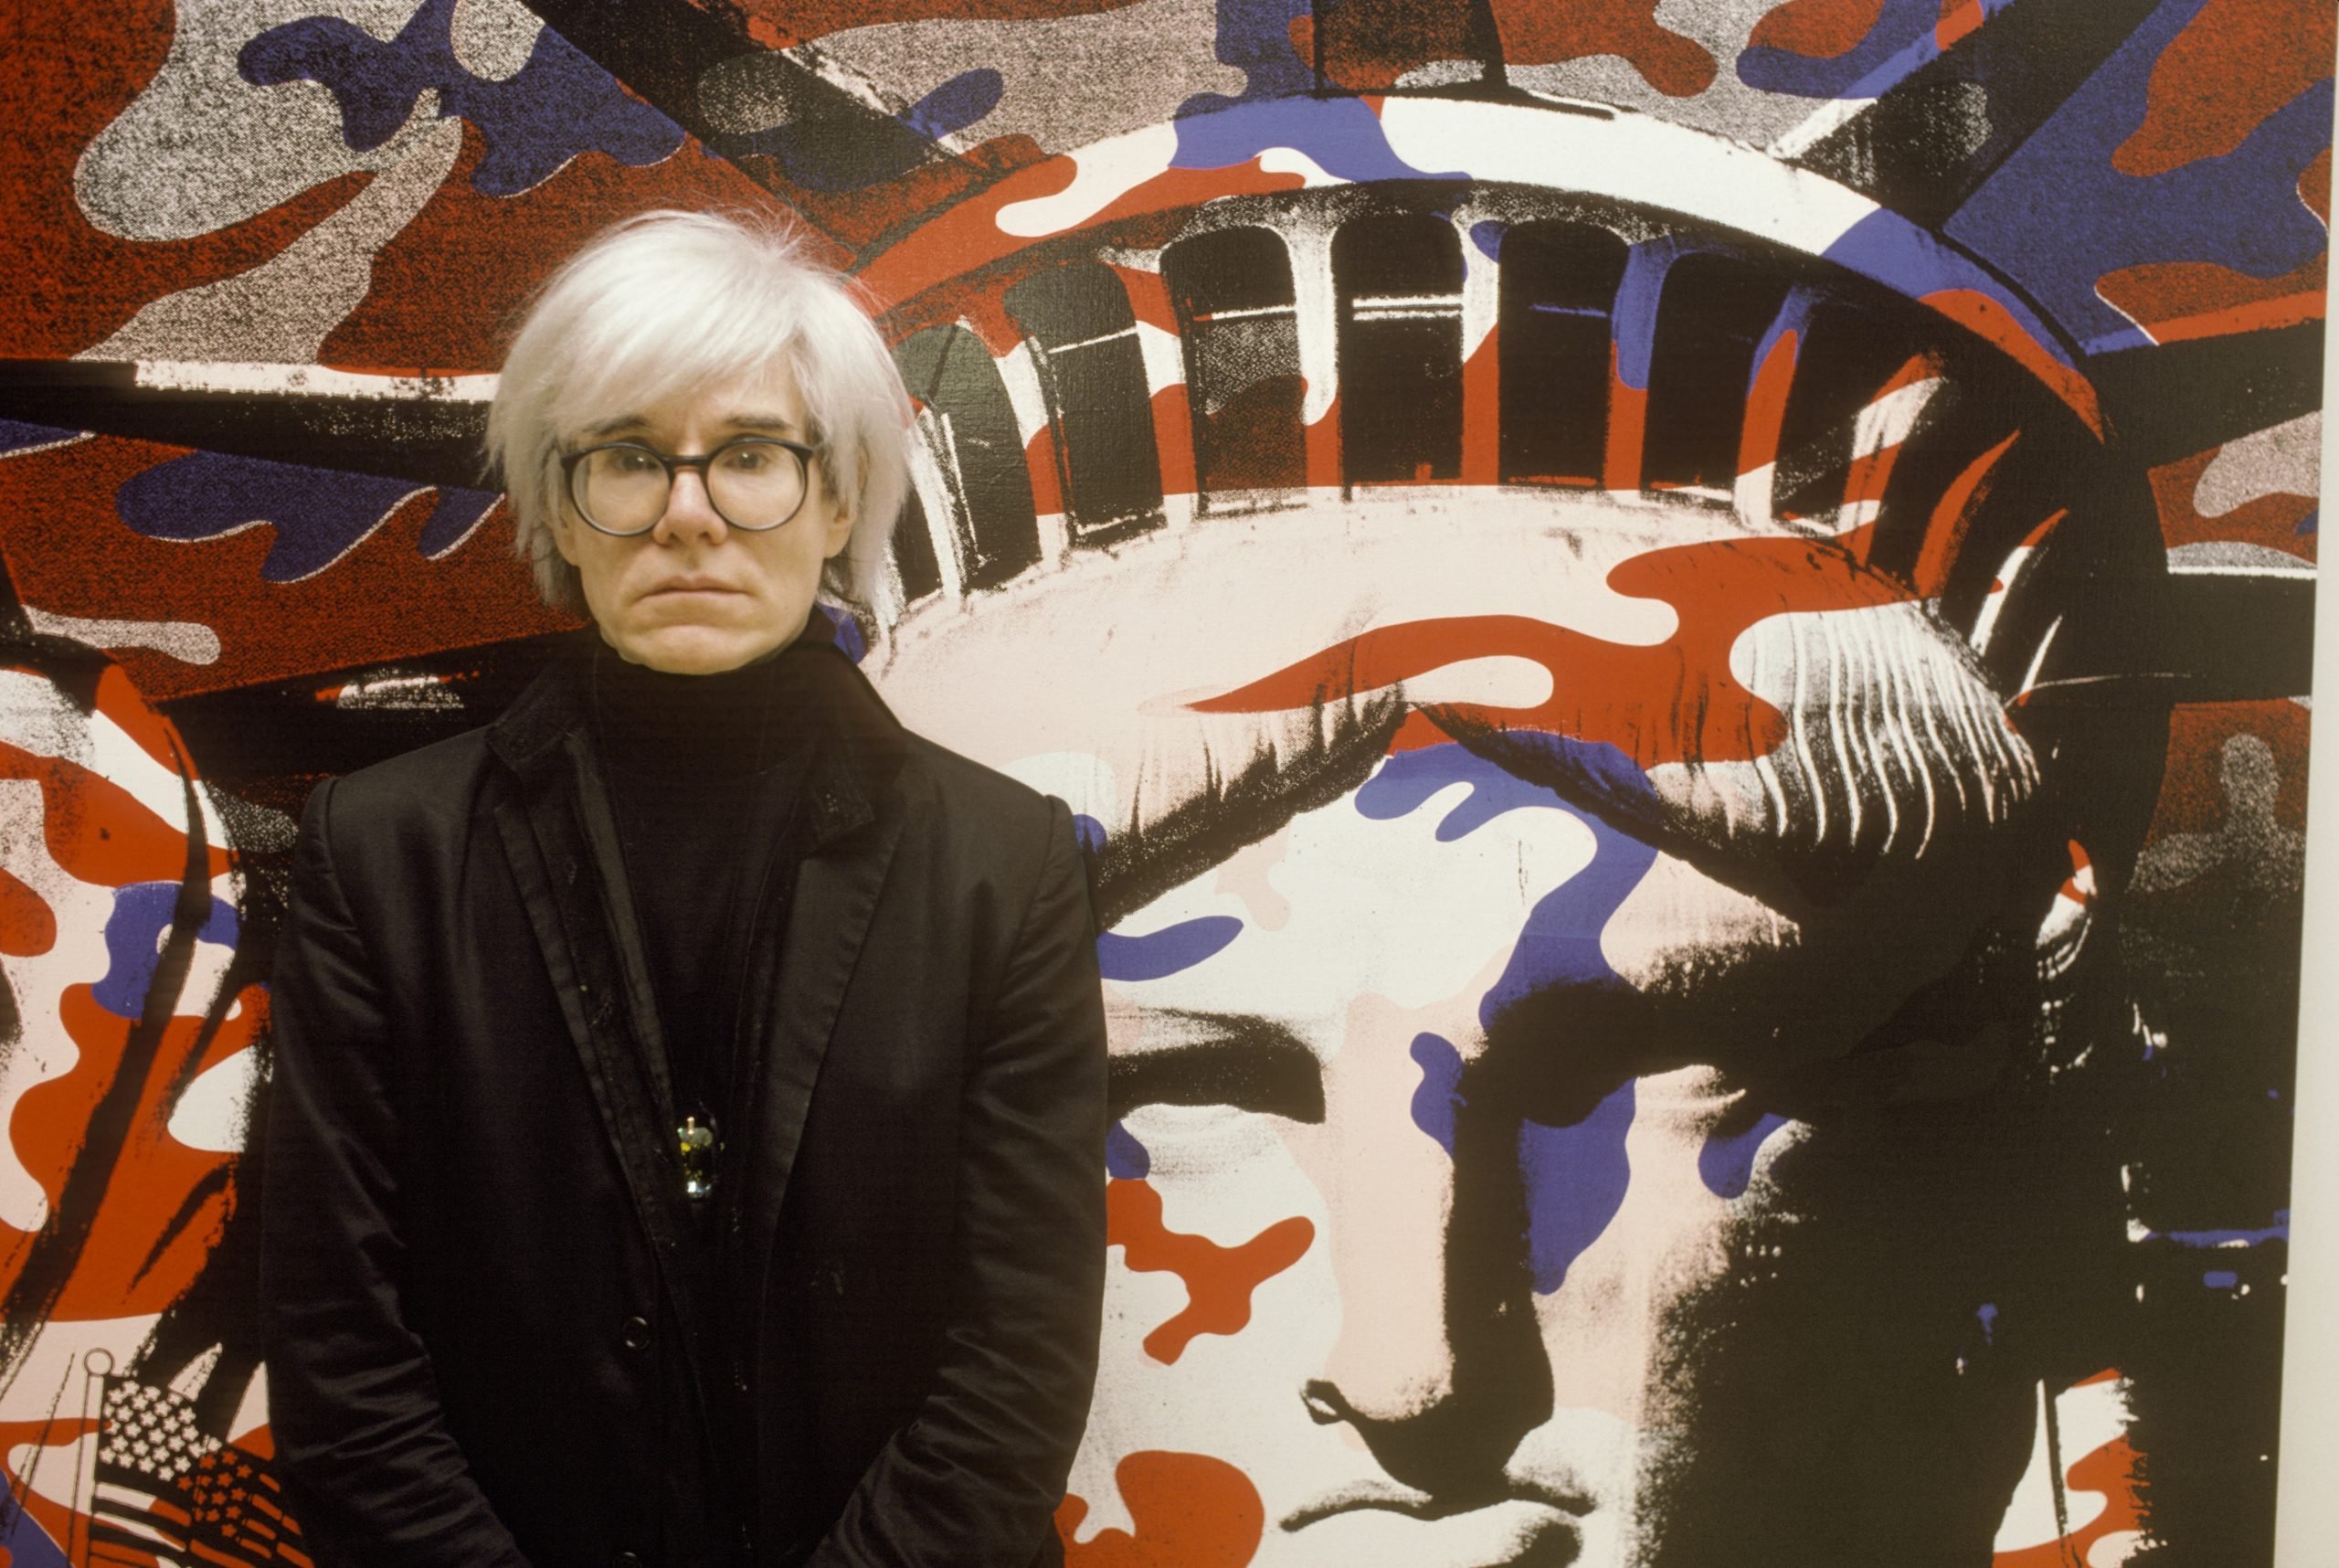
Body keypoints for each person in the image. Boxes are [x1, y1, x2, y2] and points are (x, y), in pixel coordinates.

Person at [259, 209, 1109, 1568]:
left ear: (839, 502)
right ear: (558, 507)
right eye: (627, 459)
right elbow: (338, 1355)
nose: (689, 514)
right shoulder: (386, 853)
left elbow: (1020, 1361)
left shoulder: (1000, 865)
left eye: (754, 457)